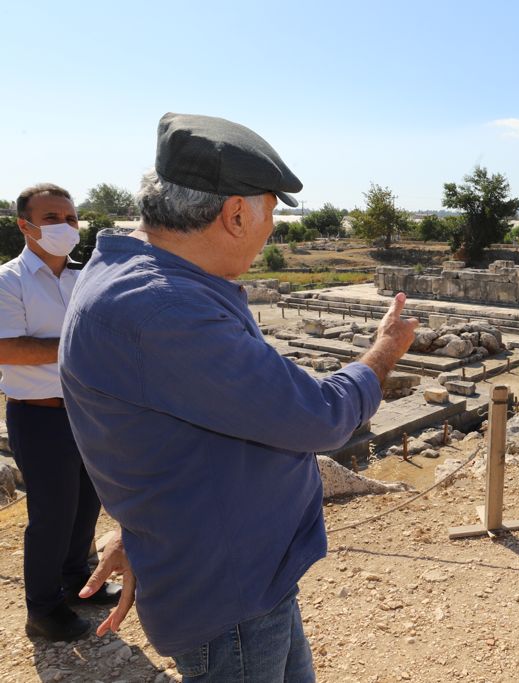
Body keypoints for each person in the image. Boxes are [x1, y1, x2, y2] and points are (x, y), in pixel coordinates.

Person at [60, 113, 418, 681]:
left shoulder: (146, 277)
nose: (272, 228)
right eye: (270, 212)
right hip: (228, 590)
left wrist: (145, 526)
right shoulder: (165, 308)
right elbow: (320, 416)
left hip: (237, 569)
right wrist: (383, 353)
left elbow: (151, 429)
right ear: (233, 214)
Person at [0, 184, 121, 642]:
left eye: (71, 218)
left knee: (86, 505)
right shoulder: (8, 281)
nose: (66, 227)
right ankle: (43, 609)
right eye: (52, 218)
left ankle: (77, 584)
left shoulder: (82, 277)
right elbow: (7, 347)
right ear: (24, 224)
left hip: (87, 411)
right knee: (52, 514)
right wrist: (80, 347)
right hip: (40, 415)